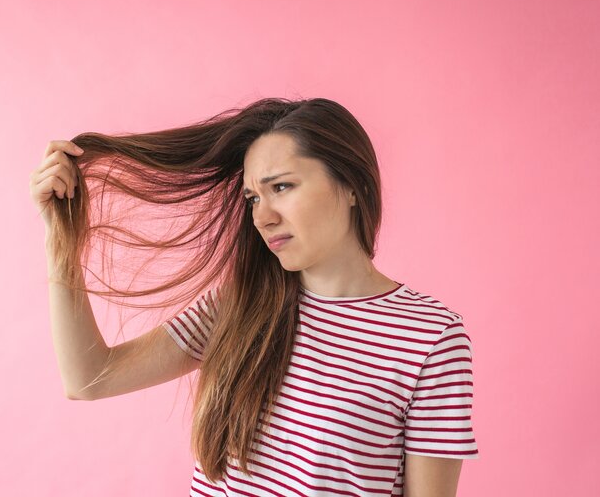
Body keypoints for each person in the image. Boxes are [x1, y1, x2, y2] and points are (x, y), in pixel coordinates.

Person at [29, 97, 479, 496]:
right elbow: (89, 378)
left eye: (281, 187)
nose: (262, 216)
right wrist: (60, 239)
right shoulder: (239, 307)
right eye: (251, 198)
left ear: (351, 185)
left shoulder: (430, 337)